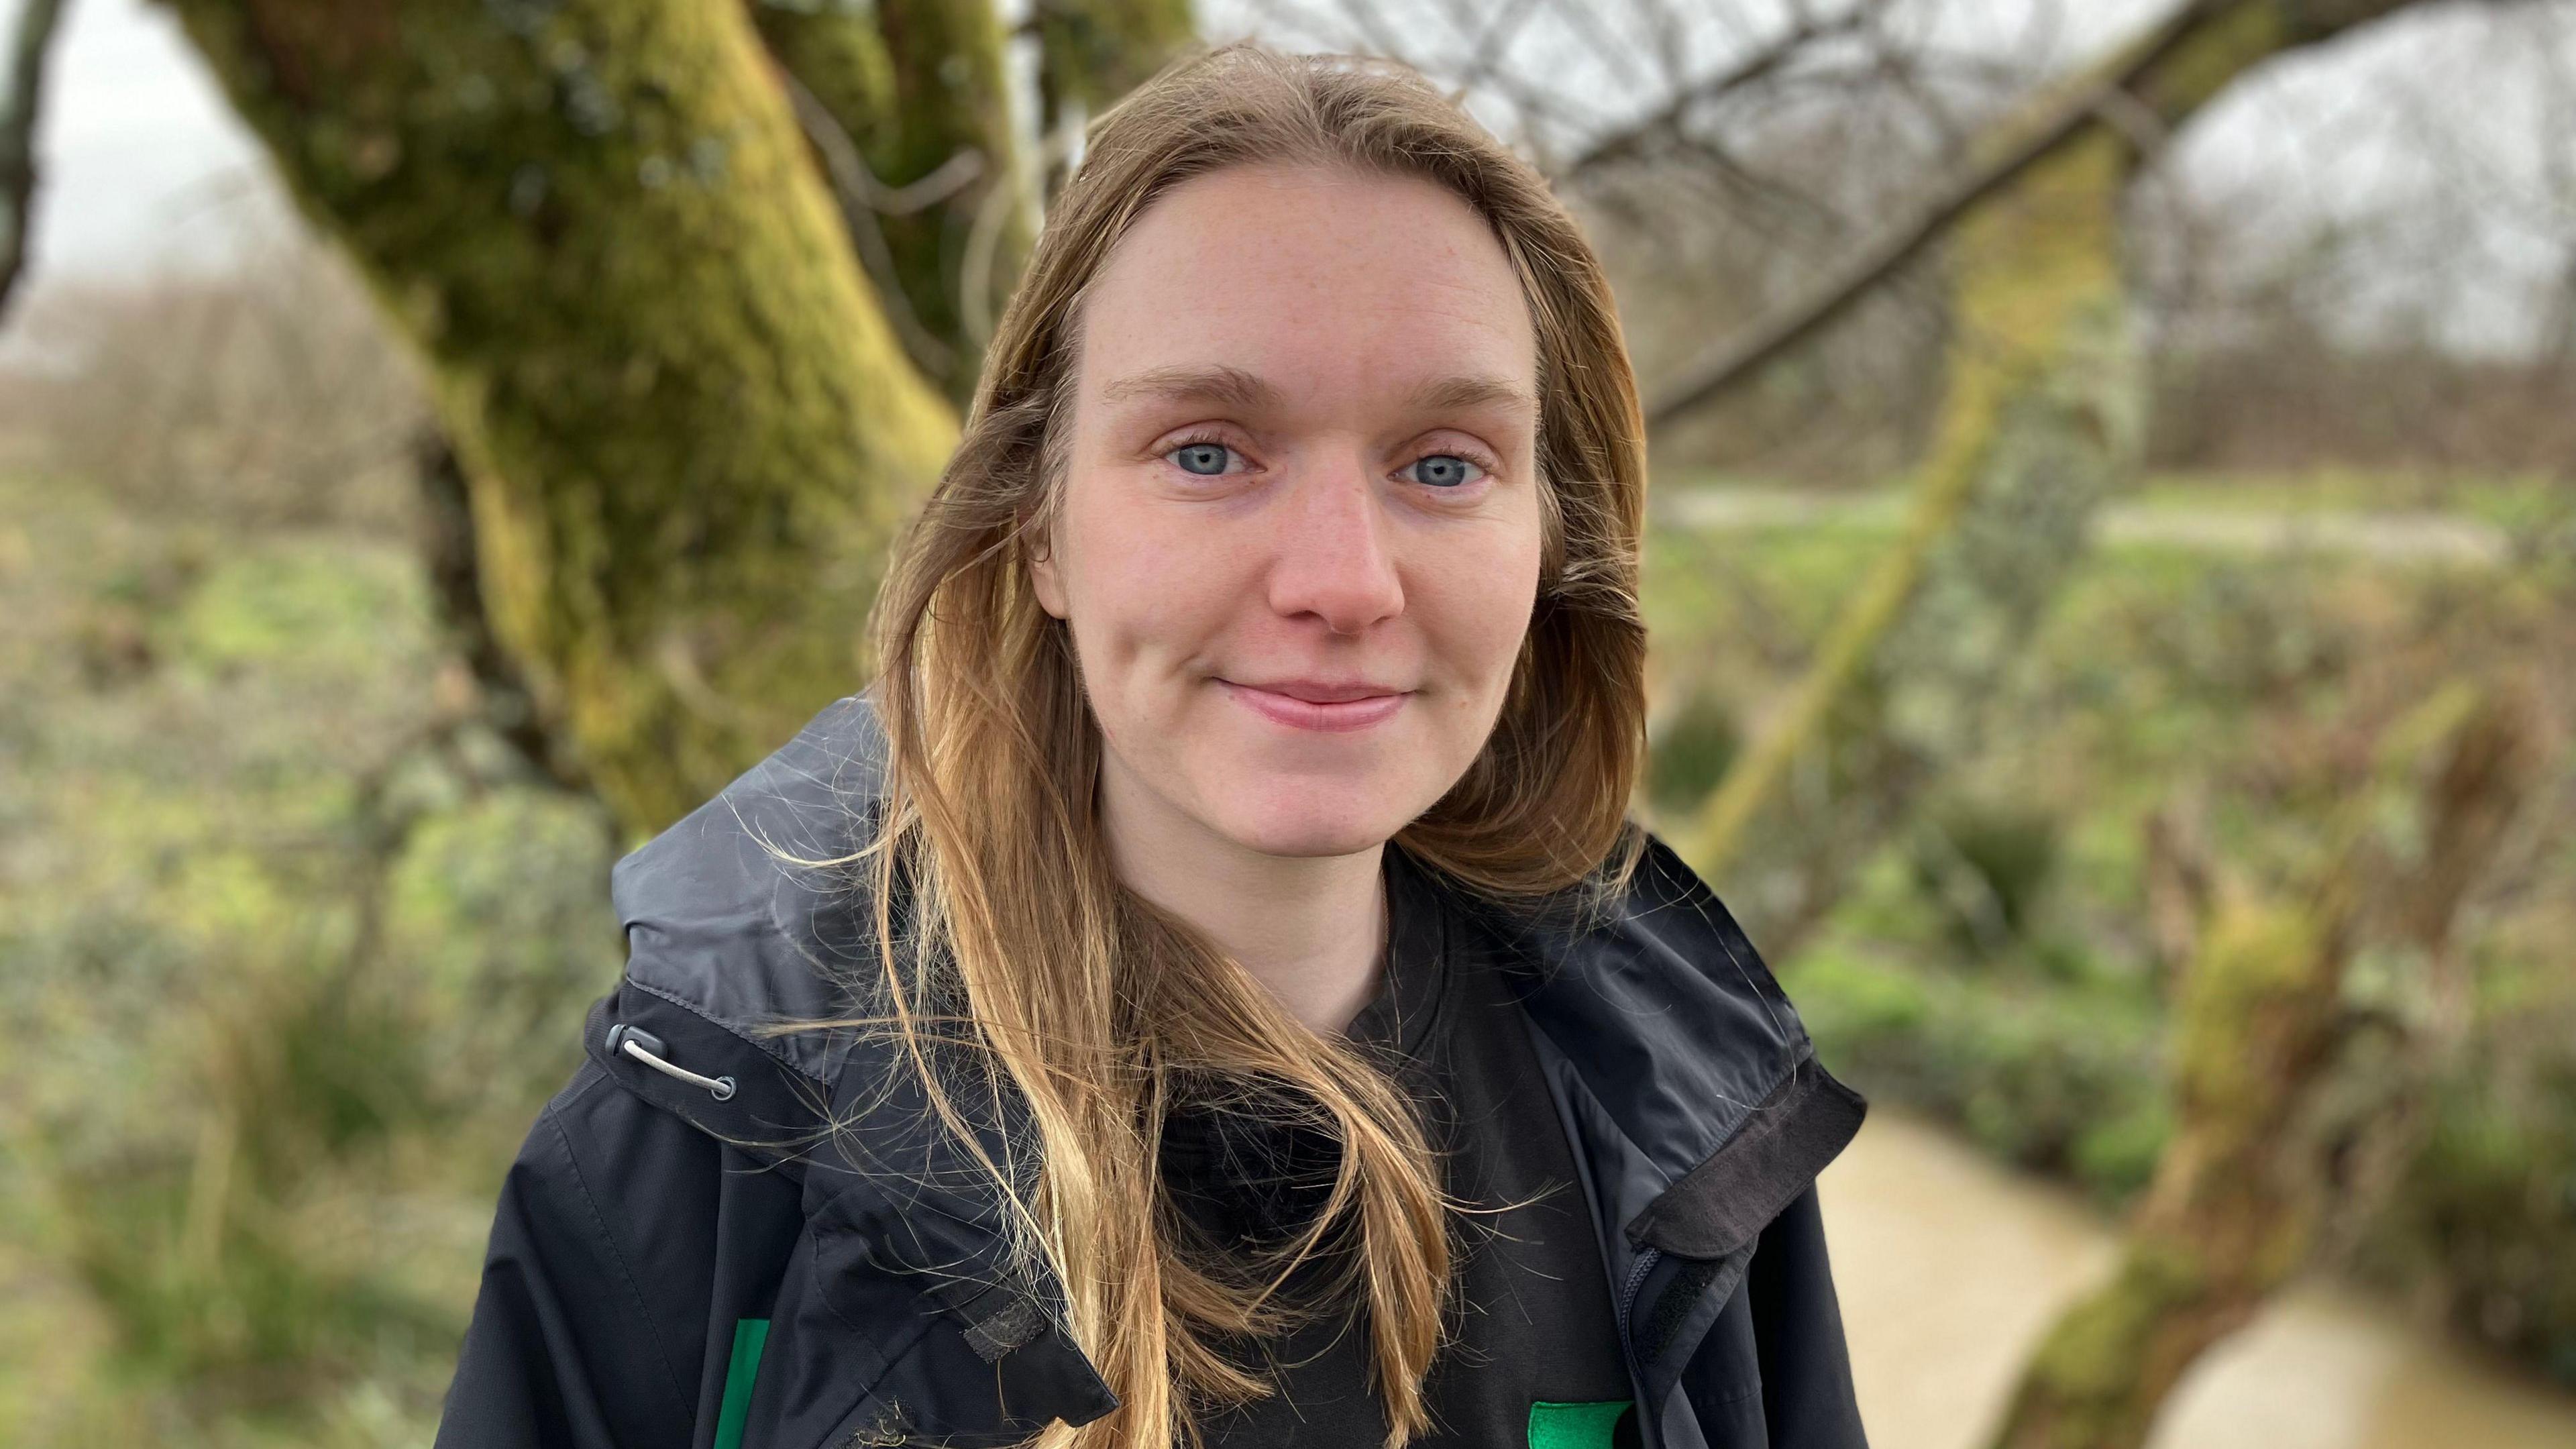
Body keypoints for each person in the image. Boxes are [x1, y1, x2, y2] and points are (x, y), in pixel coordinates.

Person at [435, 42, 1869, 1449]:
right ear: (1040, 524)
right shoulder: (714, 1134)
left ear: (1551, 538)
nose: (1343, 580)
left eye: (1442, 464)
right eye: (1207, 452)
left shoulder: (1675, 1126)